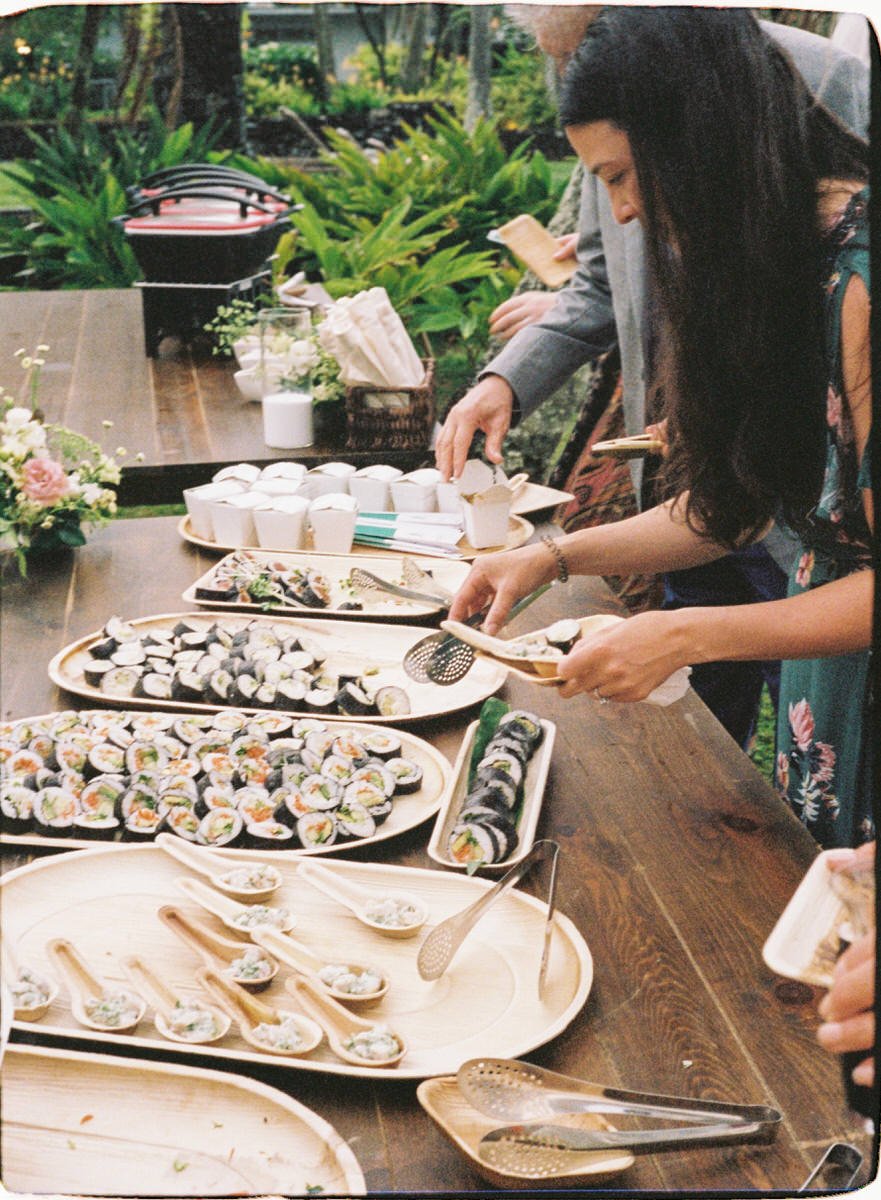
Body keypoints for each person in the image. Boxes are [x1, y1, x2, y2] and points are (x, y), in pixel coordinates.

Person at [447, 8, 872, 850]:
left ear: (705, 136)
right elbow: (737, 508)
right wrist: (549, 557)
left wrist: (685, 634)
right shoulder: (783, 258)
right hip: (826, 699)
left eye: (623, 176)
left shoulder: (861, 281)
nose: (625, 211)